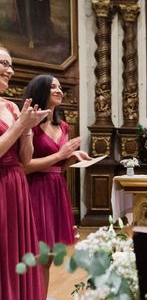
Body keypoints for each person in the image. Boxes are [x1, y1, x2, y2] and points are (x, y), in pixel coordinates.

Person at [22, 74, 90, 293]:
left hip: (55, 189)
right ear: (41, 91)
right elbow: (24, 166)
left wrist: (72, 157)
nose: (59, 90)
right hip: (33, 189)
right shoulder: (29, 123)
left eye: (60, 87)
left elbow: (58, 167)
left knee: (49, 255)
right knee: (36, 254)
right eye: (53, 87)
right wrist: (60, 153)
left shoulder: (63, 126)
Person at [0, 44, 48, 299]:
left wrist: (29, 128)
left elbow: (25, 158)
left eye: (11, 65)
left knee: (16, 250)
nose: (10, 70)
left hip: (15, 185)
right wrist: (20, 125)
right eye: (4, 64)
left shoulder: (10, 107)